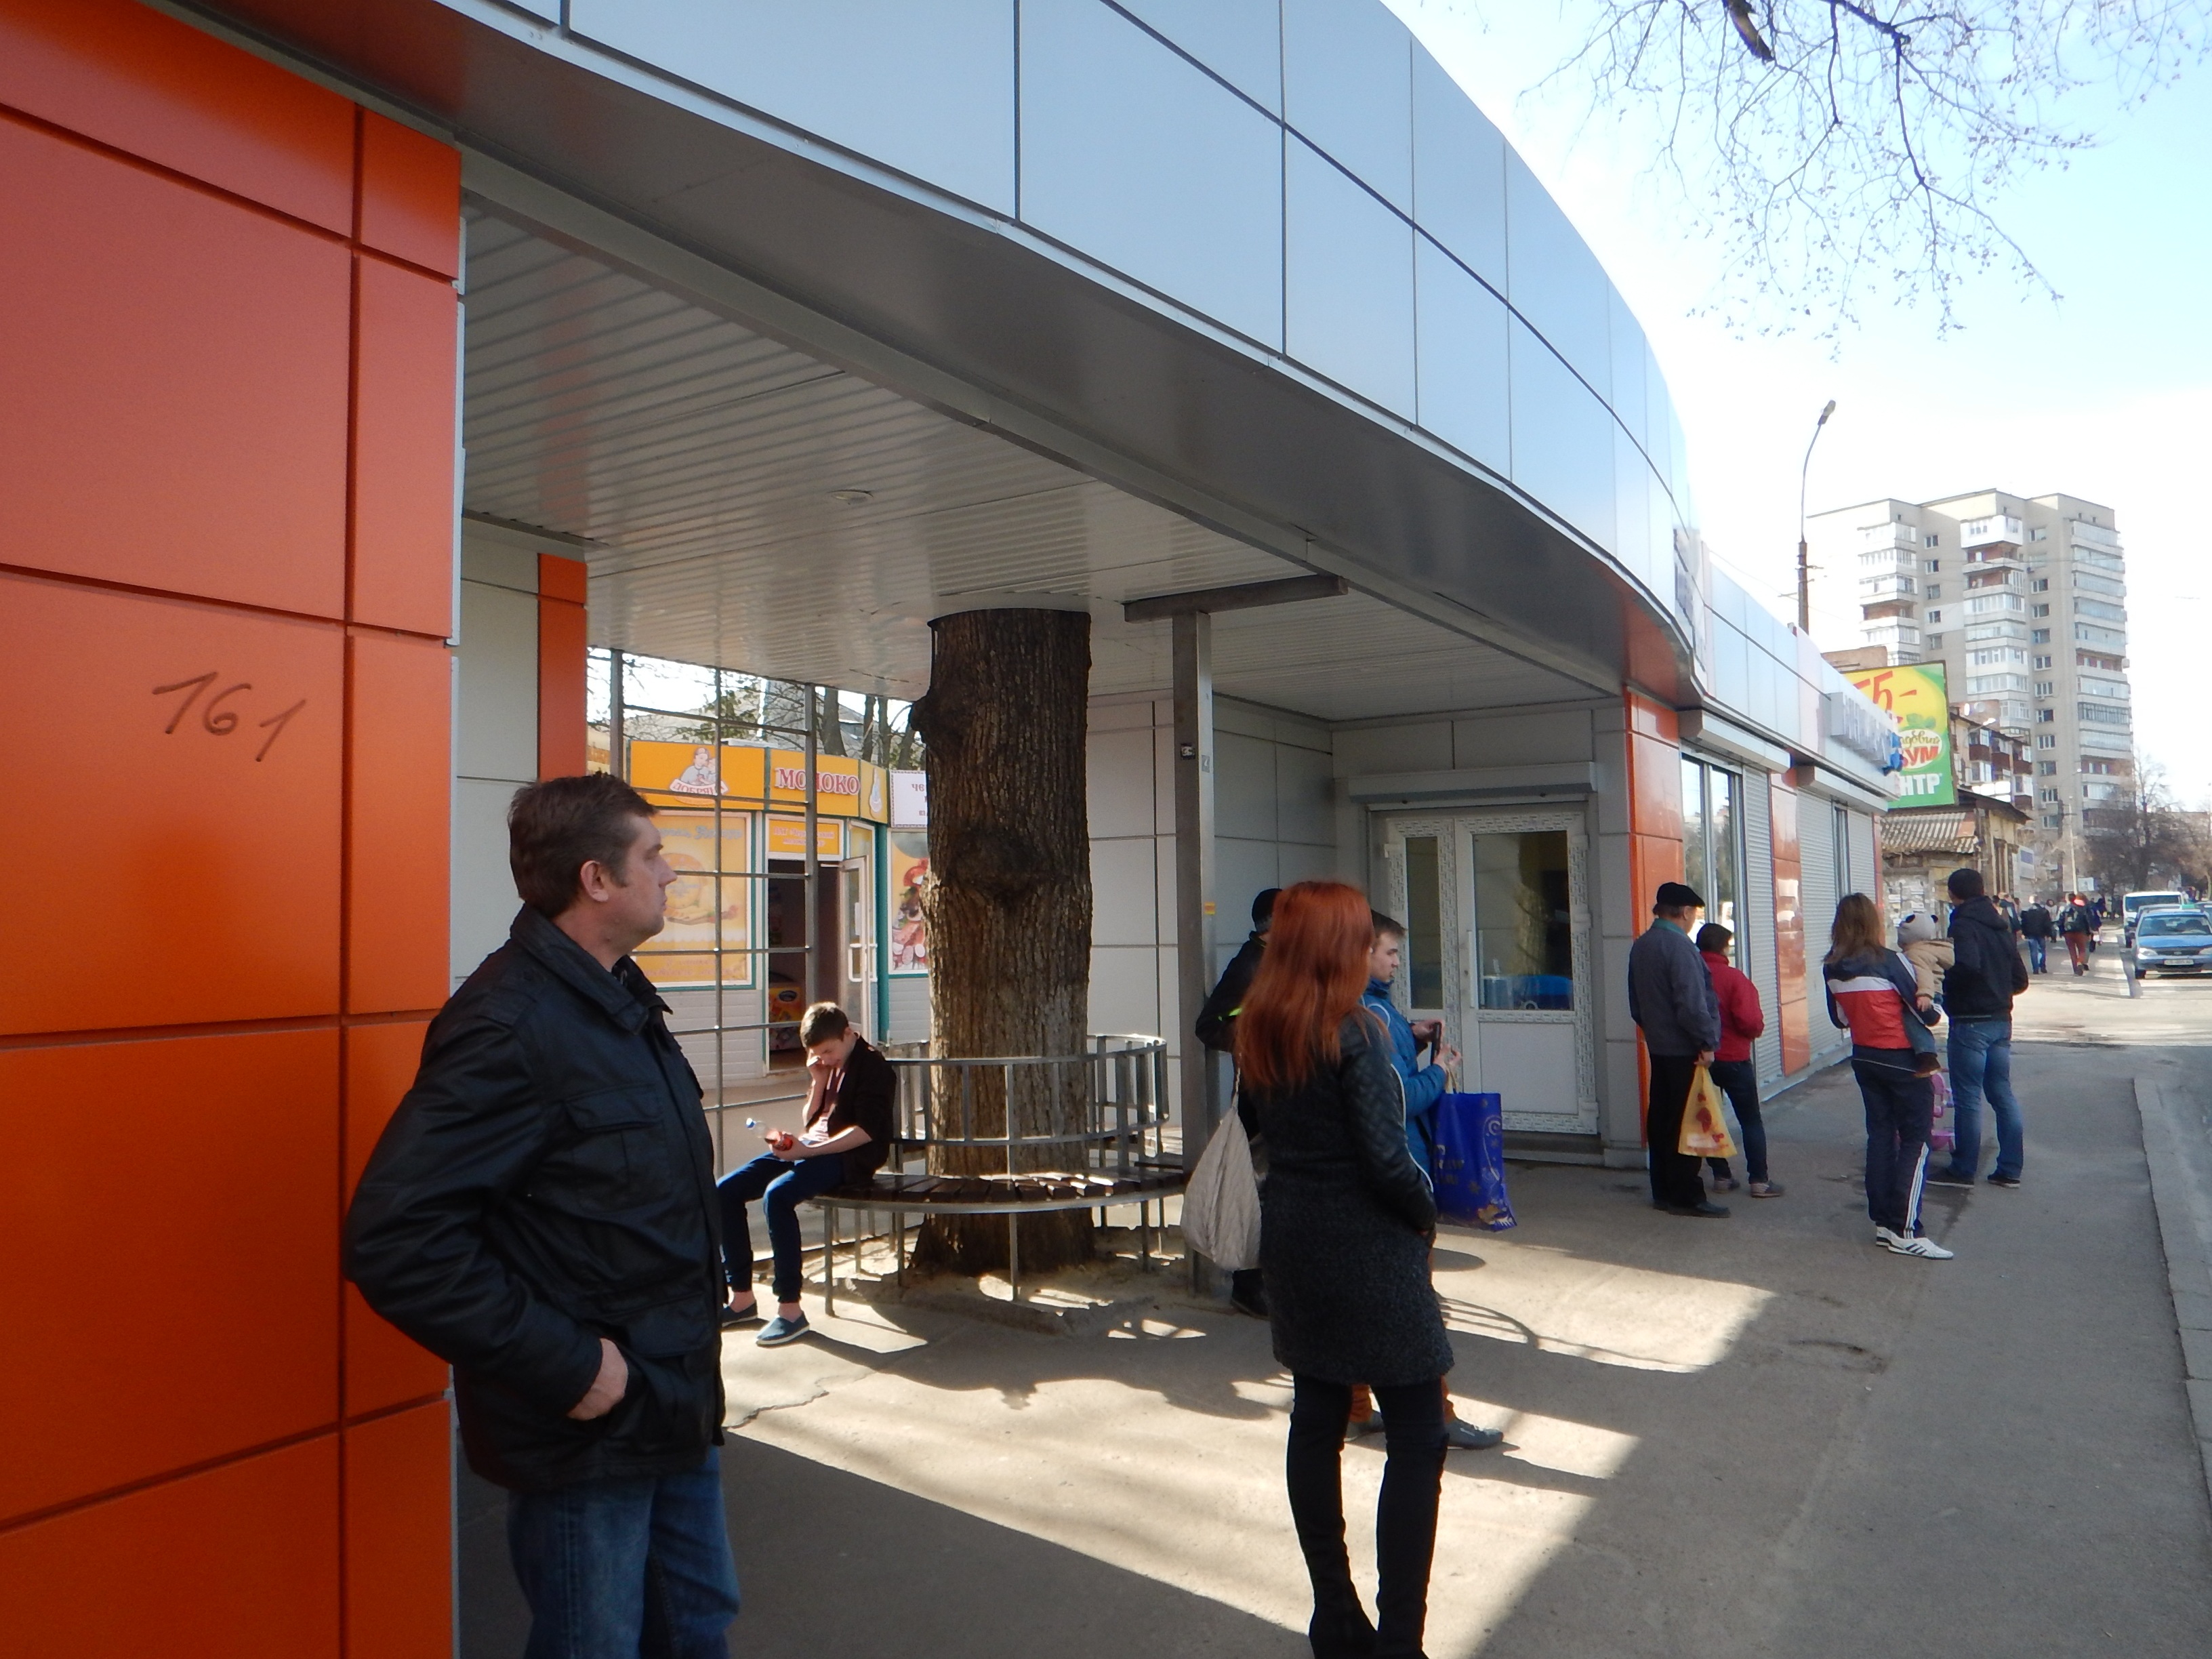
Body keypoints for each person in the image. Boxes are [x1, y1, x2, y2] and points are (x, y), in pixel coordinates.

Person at [346, 775, 741, 1658]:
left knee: (696, 1628)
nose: (670, 873)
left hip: (674, 1401)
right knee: (593, 1644)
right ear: (597, 879)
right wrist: (572, 1367)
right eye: (653, 855)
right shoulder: (508, 1026)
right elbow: (397, 1239)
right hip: (588, 1432)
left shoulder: (618, 1000)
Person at [1236, 882, 1454, 1659]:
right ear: (1336, 946)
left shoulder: (1263, 1026)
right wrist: (1425, 1215)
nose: (1370, 950)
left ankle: (1334, 1615)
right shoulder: (1354, 1029)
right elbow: (1386, 1161)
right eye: (1361, 937)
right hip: (1367, 1248)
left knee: (1318, 1417)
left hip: (1295, 1240)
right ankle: (1400, 1640)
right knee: (1419, 1431)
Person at [1356, 913, 1498, 1452]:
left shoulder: (1362, 1010)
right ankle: (1437, 1415)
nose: (1397, 962)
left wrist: (1411, 1041)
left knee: (1363, 1306)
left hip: (1371, 1182)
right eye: (1389, 952)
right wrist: (1439, 1069)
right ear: (1362, 952)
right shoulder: (1369, 1016)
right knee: (1415, 1307)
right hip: (1401, 1174)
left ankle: (1354, 1407)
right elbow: (1397, 1101)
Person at [718, 1002, 897, 1345]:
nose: (825, 1059)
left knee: (778, 1196)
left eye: (828, 1051)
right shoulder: (829, 1067)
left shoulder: (872, 1066)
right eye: (818, 1054)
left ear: (848, 1033)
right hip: (810, 1149)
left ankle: (790, 1310)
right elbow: (812, 1122)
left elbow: (866, 1131)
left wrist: (807, 1152)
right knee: (724, 1191)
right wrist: (817, 1082)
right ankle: (741, 1298)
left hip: (848, 1158)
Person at [1822, 893, 1952, 1259]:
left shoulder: (1831, 967)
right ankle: (1906, 1229)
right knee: (1916, 1140)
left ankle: (1884, 1224)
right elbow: (1927, 1015)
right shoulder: (1890, 961)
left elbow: (1839, 1019)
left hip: (1865, 1057)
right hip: (1904, 1060)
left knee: (1880, 1137)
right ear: (1873, 923)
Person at [1197, 887, 1282, 1319]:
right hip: (1258, 1093)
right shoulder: (1250, 965)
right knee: (1256, 1191)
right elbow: (1210, 1024)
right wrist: (1249, 1040)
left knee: (1276, 1189)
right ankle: (1248, 1285)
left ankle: (1272, 1281)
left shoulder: (1282, 962)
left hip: (1280, 1091)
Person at [1927, 867, 2031, 1191]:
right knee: (2002, 1094)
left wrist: (1947, 991)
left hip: (1970, 1021)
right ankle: (2010, 1169)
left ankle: (1963, 1169)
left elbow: (1967, 966)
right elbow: (2020, 980)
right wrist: (1998, 992)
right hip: (2001, 1020)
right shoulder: (2001, 926)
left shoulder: (1962, 924)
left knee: (1968, 1098)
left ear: (1953, 894)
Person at [1626, 881, 1725, 1217]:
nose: (1694, 919)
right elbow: (1692, 1005)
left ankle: (1663, 1191)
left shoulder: (1642, 945)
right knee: (1688, 1122)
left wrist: (1654, 1031)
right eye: (1694, 913)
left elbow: (1636, 1003)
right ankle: (1687, 1196)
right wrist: (1706, 1042)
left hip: (1659, 1046)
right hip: (1685, 1049)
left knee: (1662, 1120)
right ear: (1684, 912)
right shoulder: (1680, 948)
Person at [1695, 923, 1780, 1197]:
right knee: (1750, 1120)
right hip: (1734, 1058)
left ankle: (1721, 1176)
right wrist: (1752, 1033)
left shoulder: (1691, 976)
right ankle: (1759, 1181)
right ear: (1724, 947)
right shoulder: (1734, 978)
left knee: (1708, 1118)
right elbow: (1750, 1021)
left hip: (1701, 1060)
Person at [2058, 892, 2096, 975]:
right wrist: (2088, 932)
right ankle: (2080, 962)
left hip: (2068, 932)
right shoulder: (2081, 908)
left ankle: (2076, 970)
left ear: (2067, 899)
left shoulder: (2064, 909)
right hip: (2081, 932)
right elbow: (2086, 921)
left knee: (2072, 951)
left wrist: (2062, 932)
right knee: (2082, 950)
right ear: (2075, 899)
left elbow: (2060, 922)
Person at [2019, 898, 2054, 975]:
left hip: (2030, 933)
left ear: (2030, 901)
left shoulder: (2025, 911)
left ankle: (2035, 969)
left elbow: (2023, 923)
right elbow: (2048, 924)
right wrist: (2049, 934)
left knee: (2033, 951)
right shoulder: (2044, 911)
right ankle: (2042, 967)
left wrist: (2024, 933)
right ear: (2038, 901)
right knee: (2042, 950)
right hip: (2042, 933)